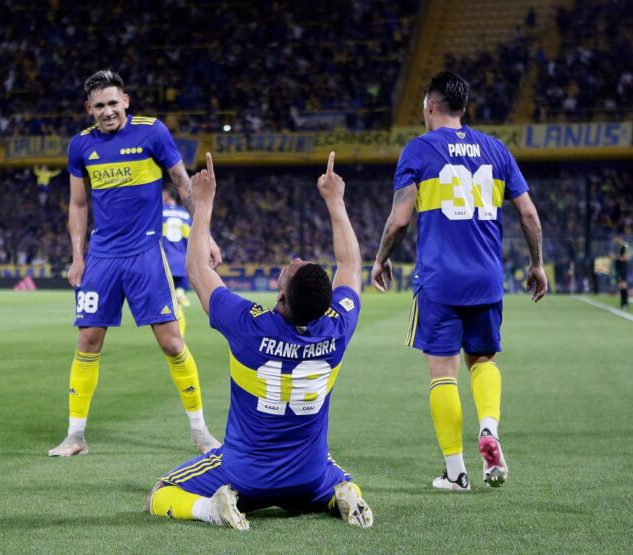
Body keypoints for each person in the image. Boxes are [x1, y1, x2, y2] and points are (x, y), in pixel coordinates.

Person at [146, 152, 373, 530]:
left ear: (280, 298)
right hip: (309, 475)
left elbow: (197, 269)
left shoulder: (248, 325)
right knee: (337, 476)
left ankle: (213, 509)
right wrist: (336, 201)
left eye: (289, 270)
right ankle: (342, 495)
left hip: (245, 477)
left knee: (160, 492)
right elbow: (349, 265)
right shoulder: (338, 326)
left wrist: (203, 204)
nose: (294, 258)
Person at [371, 72, 547, 491]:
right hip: (487, 278)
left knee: (442, 373)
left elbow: (399, 219)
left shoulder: (418, 150)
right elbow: (528, 214)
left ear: (430, 105)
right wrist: (537, 263)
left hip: (439, 280)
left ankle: (456, 471)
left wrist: (380, 260)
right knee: (483, 361)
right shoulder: (496, 149)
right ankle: (489, 428)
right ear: (463, 108)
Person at [48, 70, 222, 457]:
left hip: (146, 253)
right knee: (87, 341)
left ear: (125, 100)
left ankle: (200, 431)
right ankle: (75, 437)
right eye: (99, 106)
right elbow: (78, 205)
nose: (107, 111)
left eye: (113, 103)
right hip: (103, 257)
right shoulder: (81, 146)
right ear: (88, 108)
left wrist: (205, 233)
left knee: (172, 343)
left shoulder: (152, 132)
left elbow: (182, 183)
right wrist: (77, 258)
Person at [161, 188, 193, 335]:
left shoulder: (158, 212)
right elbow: (190, 239)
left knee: (166, 303)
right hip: (181, 260)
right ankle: (180, 294)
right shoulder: (185, 214)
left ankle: (174, 337)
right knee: (177, 295)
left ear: (166, 195)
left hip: (163, 260)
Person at [613, 235, 630, 309]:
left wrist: (616, 257)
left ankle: (625, 303)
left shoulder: (625, 246)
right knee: (620, 285)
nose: (614, 240)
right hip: (619, 268)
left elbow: (627, 258)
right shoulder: (619, 247)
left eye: (615, 238)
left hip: (623, 268)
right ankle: (622, 303)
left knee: (623, 285)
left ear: (619, 237)